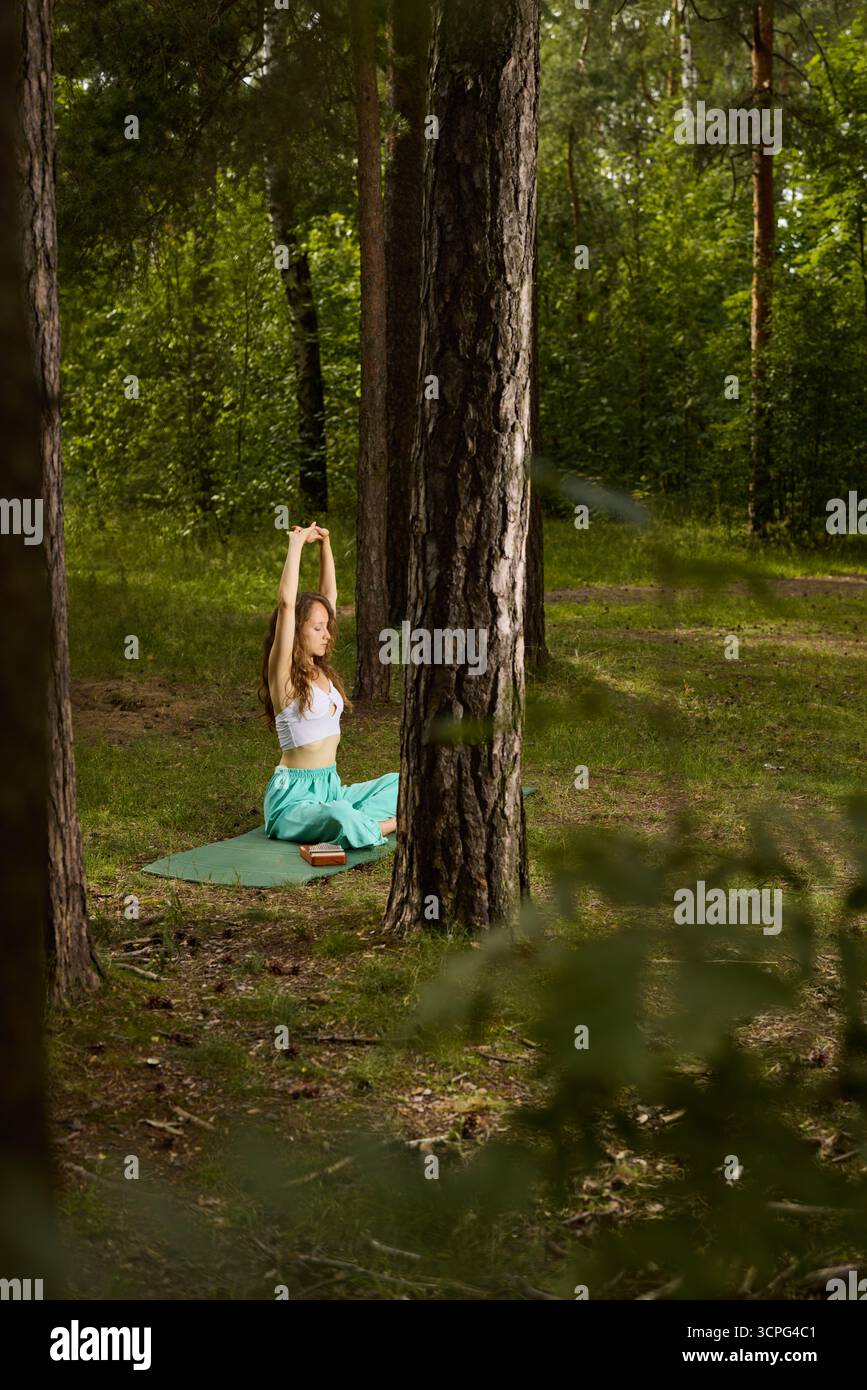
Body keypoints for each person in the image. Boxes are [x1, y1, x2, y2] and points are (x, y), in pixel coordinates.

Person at [258, 522, 398, 850]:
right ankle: (391, 825)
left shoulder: (321, 670)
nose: (328, 634)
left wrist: (325, 545)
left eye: (327, 627)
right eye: (318, 628)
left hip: (330, 787)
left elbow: (328, 597)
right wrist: (295, 545)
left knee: (399, 782)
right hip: (291, 802)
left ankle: (362, 821)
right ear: (296, 631)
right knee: (340, 815)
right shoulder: (284, 678)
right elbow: (286, 606)